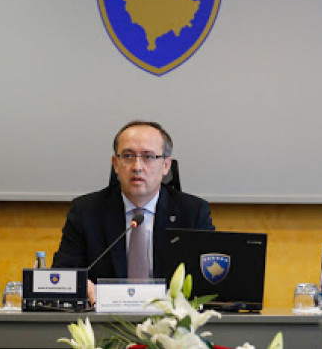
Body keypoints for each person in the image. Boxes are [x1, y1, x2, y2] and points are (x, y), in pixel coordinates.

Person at [52, 120, 214, 304]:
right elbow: (62, 274)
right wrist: (79, 285)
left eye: (148, 157)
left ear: (166, 165)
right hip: (106, 317)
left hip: (171, 318)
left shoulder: (193, 212)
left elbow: (209, 280)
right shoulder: (86, 211)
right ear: (115, 164)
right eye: (128, 156)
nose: (137, 166)